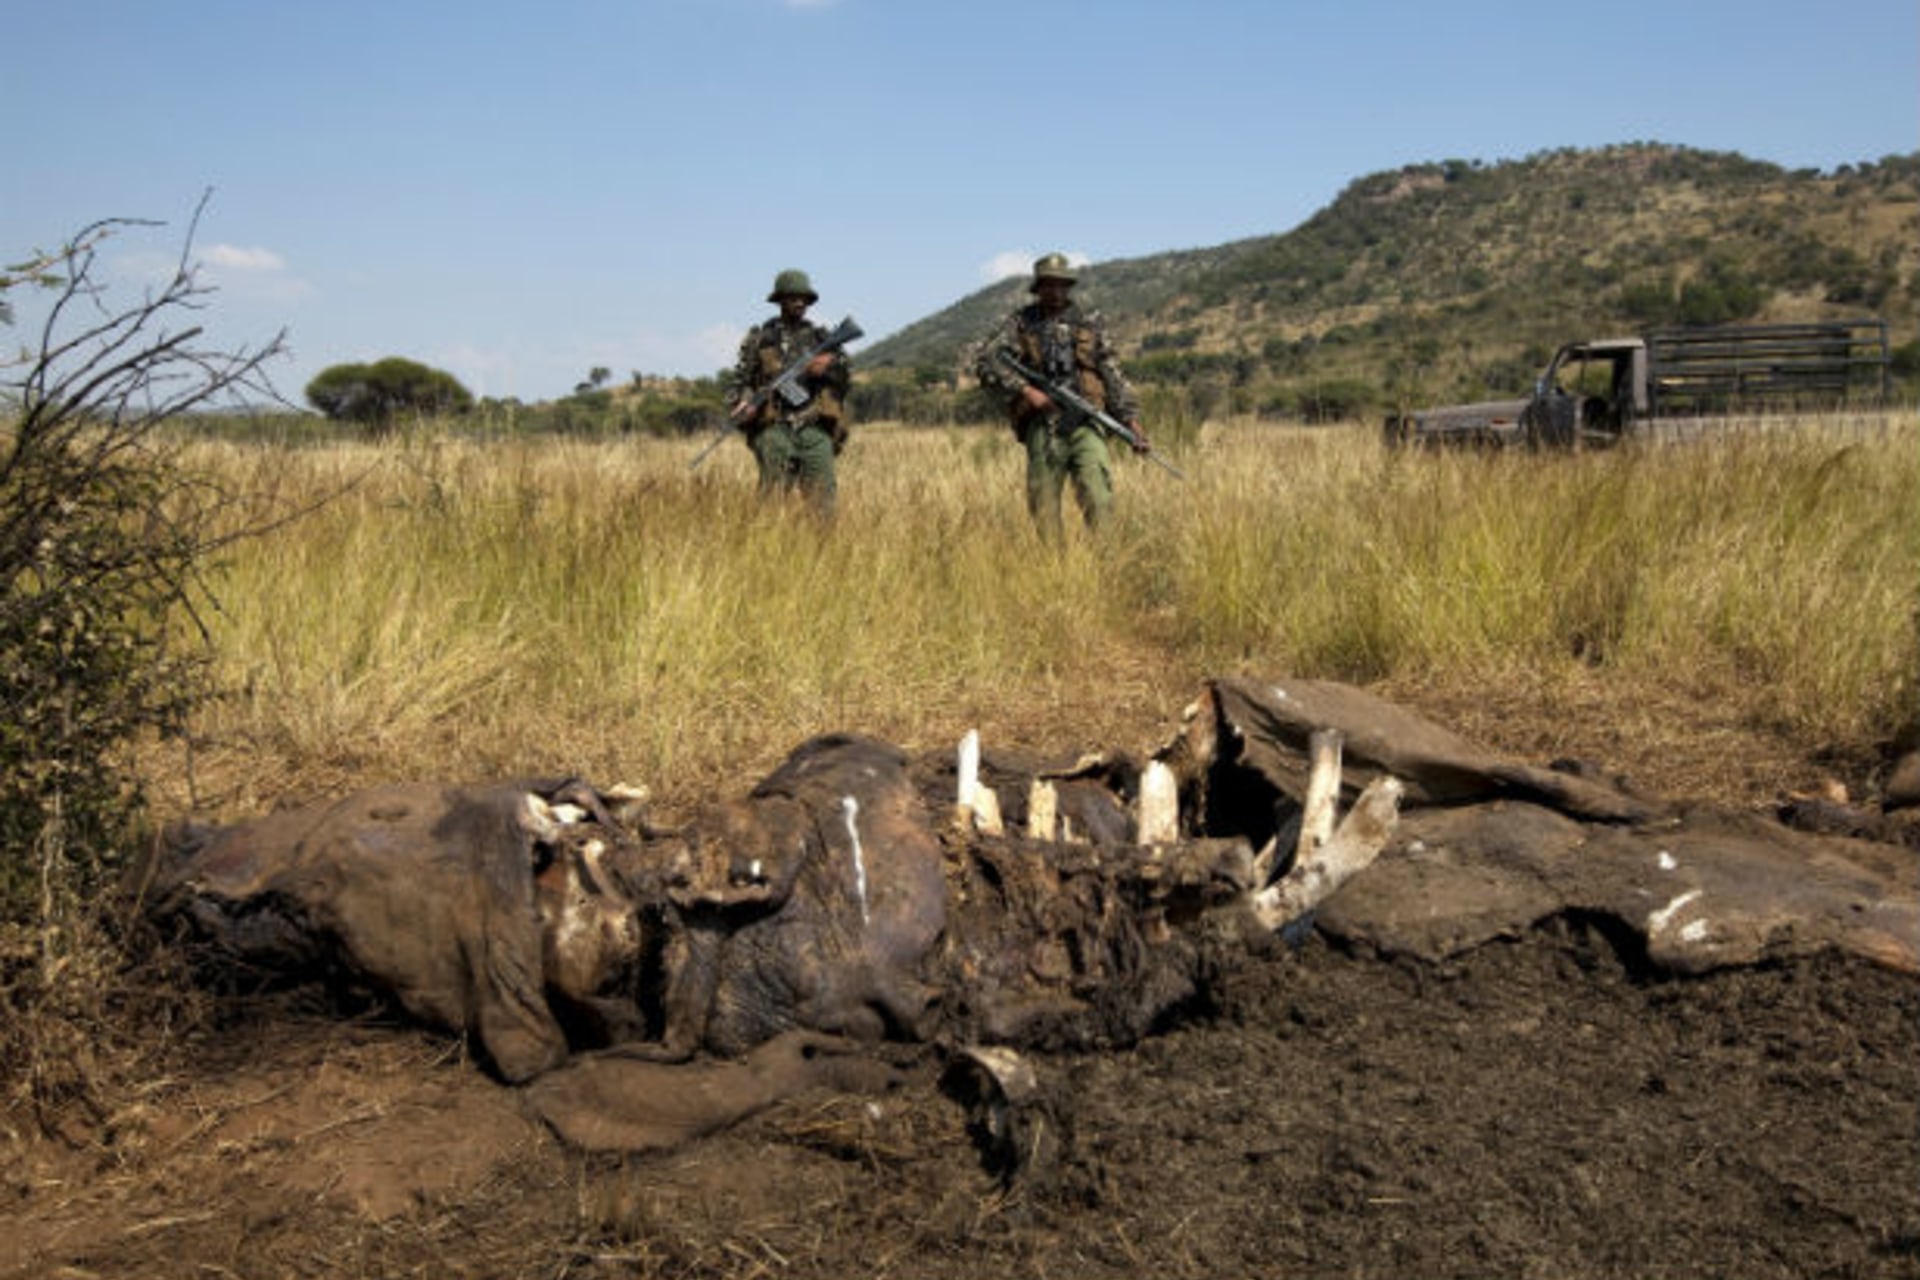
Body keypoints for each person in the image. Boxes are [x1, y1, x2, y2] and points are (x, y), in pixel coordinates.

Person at [973, 253, 1149, 539]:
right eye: (1049, 285)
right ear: (1039, 287)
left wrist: (1130, 421)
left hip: (1087, 422)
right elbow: (986, 361)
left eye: (1061, 285)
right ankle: (1054, 574)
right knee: (1043, 506)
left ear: (1068, 287)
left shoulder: (1089, 323)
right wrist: (1027, 391)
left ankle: (1107, 570)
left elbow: (1112, 373)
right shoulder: (1019, 323)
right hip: (1045, 424)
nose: (1055, 291)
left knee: (1099, 498)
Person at [725, 269, 853, 515]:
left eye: (804, 298)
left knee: (823, 502)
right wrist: (742, 403)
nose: (799, 302)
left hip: (814, 425)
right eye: (793, 297)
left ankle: (823, 549)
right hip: (774, 426)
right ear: (780, 300)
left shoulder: (822, 338)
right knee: (771, 499)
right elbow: (739, 382)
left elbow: (845, 379)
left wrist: (827, 368)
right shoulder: (760, 339)